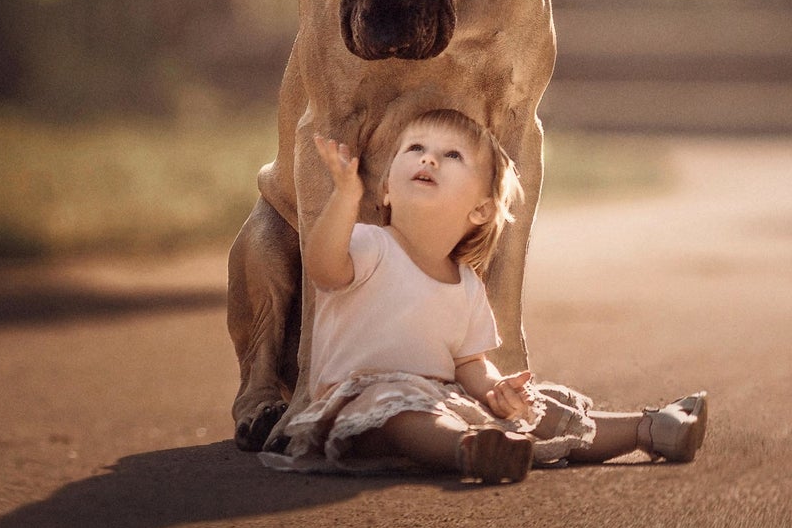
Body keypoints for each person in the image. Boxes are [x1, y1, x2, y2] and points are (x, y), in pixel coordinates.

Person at [260, 108, 707, 483]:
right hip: (362, 403)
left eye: (450, 154)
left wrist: (494, 390)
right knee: (398, 412)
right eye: (415, 148)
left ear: (481, 209)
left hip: (442, 397)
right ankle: (469, 449)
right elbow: (322, 268)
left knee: (535, 407)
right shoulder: (369, 244)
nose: (429, 159)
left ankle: (650, 428)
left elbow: (468, 363)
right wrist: (344, 197)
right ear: (387, 189)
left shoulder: (467, 283)